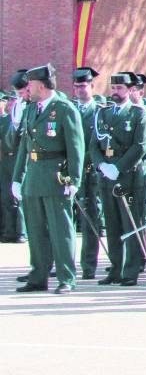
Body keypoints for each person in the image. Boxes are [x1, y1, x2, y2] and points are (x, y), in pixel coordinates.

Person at [12, 64, 85, 294]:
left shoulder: (64, 109)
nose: (28, 89)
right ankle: (38, 275)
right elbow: (24, 146)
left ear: (41, 86)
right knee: (35, 229)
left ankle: (66, 277)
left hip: (56, 176)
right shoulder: (31, 109)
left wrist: (74, 180)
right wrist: (17, 178)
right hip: (34, 176)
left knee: (60, 230)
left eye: (31, 85)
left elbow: (76, 147)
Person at [91, 72, 146, 287]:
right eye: (113, 88)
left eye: (119, 89)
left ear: (130, 90)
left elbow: (140, 146)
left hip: (129, 176)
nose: (115, 92)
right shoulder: (103, 113)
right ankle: (115, 269)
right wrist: (102, 165)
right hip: (107, 175)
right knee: (113, 223)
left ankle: (131, 270)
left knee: (131, 223)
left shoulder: (138, 114)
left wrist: (118, 167)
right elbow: (93, 144)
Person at [72, 67, 106, 279]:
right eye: (76, 87)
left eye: (83, 86)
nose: (80, 90)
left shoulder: (100, 111)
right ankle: (65, 261)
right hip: (71, 171)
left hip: (92, 171)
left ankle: (89, 265)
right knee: (67, 219)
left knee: (91, 217)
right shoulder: (69, 110)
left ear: (92, 86)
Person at [1, 71, 30, 244]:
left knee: (21, 201)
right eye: (15, 96)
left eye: (19, 94)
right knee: (9, 198)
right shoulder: (15, 113)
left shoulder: (37, 108)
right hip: (11, 161)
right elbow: (10, 141)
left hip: (31, 162)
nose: (17, 99)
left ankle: (21, 232)